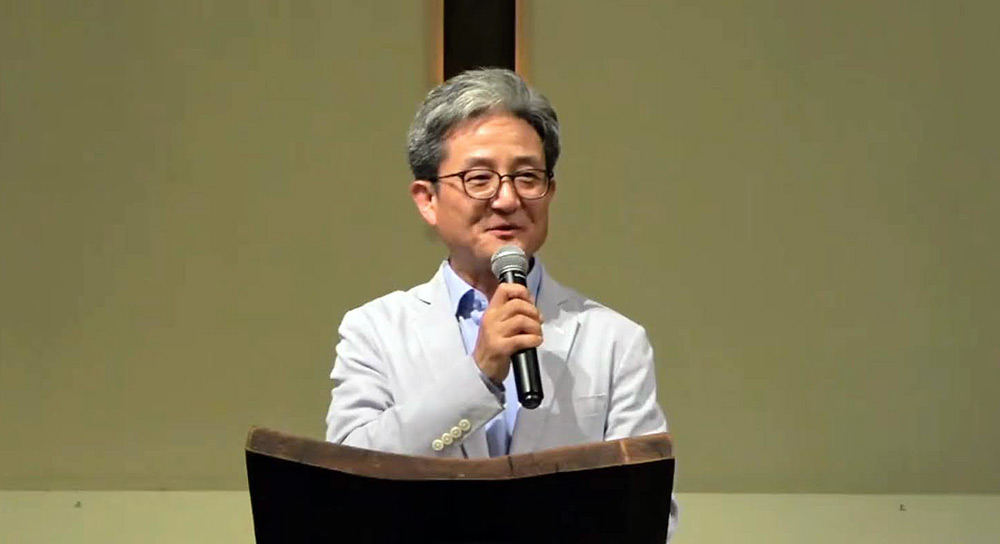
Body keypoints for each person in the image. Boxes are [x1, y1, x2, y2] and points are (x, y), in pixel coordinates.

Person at [325, 68, 677, 537]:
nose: (508, 199)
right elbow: (347, 482)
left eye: (527, 177)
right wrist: (479, 374)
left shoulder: (614, 340)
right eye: (479, 178)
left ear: (550, 190)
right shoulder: (376, 330)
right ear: (427, 199)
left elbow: (651, 512)